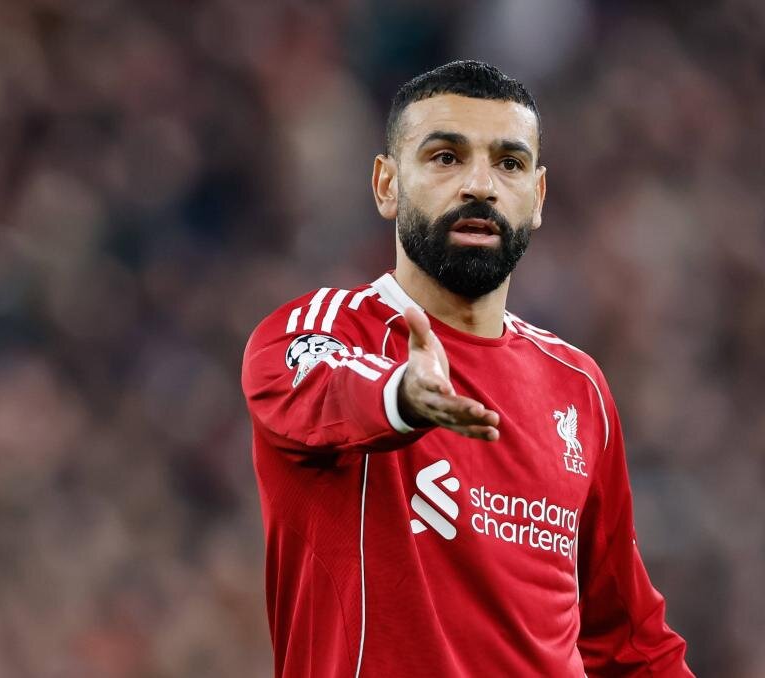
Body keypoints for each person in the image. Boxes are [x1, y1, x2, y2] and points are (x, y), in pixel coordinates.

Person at [242, 60, 693, 677]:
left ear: (537, 197)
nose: (480, 185)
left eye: (509, 163)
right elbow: (320, 382)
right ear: (386, 185)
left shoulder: (579, 387)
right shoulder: (319, 329)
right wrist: (402, 396)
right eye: (446, 157)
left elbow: (630, 647)